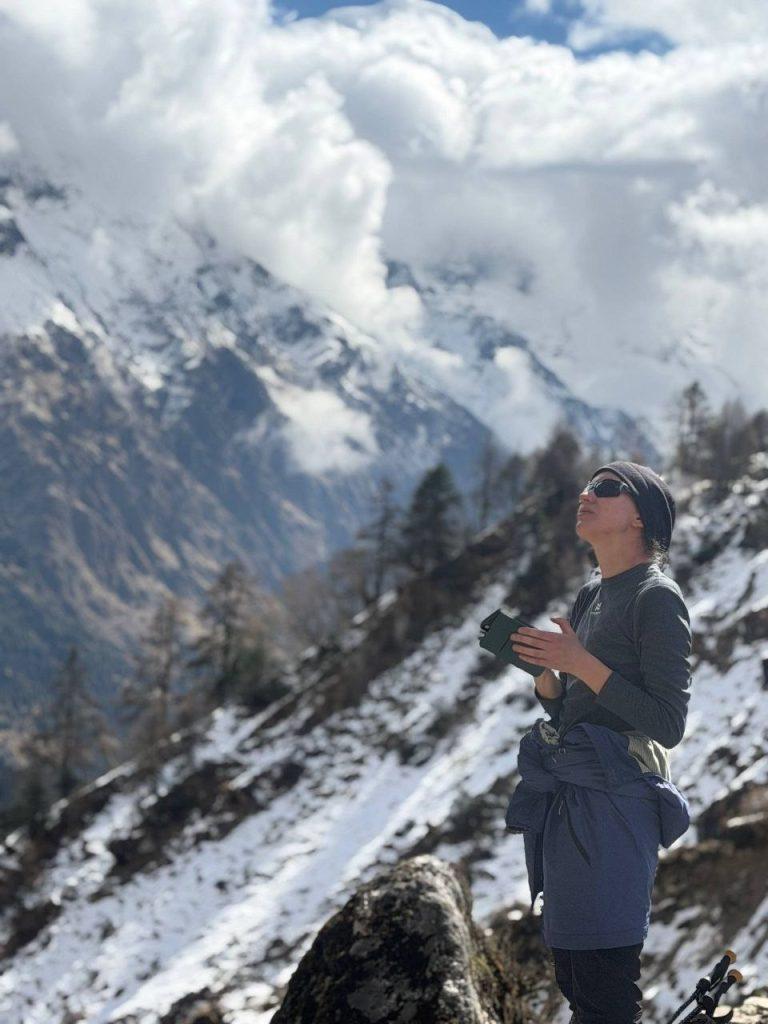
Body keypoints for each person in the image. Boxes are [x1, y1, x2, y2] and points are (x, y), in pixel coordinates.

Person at [507, 460, 693, 1024]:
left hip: (617, 803)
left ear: (641, 517)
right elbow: (578, 707)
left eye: (607, 488)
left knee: (604, 981)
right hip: (576, 799)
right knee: (573, 971)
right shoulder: (595, 594)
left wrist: (581, 662)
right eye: (587, 484)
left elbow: (667, 721)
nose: (587, 494)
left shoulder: (656, 599)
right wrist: (550, 679)